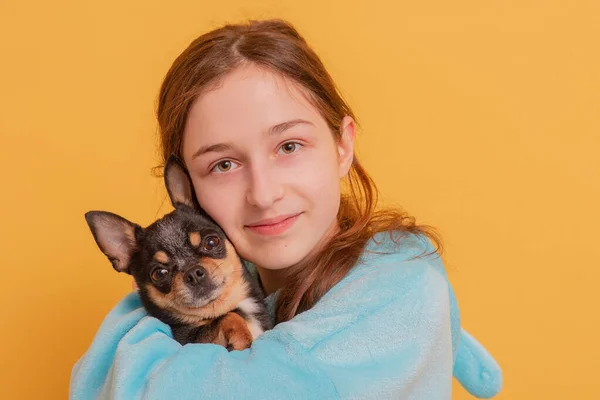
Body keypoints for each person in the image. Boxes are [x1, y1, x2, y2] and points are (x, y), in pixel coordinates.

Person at [70, 18, 502, 399]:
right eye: (223, 164)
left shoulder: (398, 293)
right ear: (189, 193)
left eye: (289, 145)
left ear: (342, 145)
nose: (263, 192)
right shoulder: (237, 290)